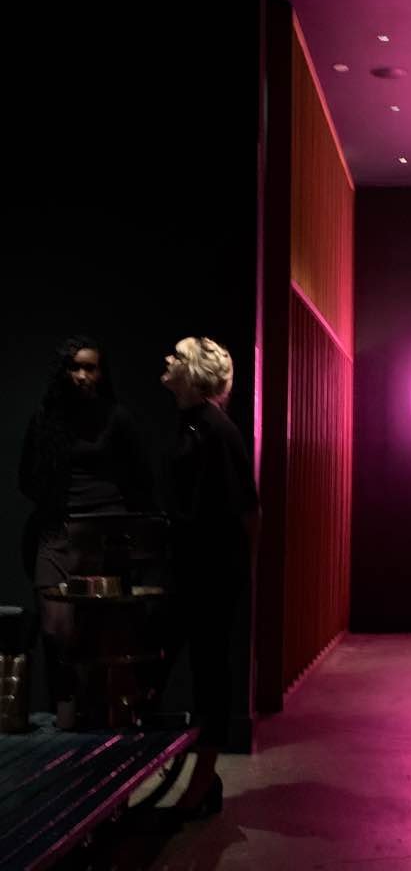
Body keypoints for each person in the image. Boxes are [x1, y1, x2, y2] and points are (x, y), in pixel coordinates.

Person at [18, 334, 152, 720]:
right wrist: (53, 500)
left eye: (89, 368)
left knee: (101, 628)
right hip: (59, 530)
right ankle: (66, 710)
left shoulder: (117, 418)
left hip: (105, 531)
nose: (81, 375)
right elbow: (25, 476)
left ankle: (98, 715)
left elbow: (140, 478)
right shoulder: (46, 419)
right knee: (55, 628)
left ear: (101, 373)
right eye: (74, 367)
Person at [160, 335, 259, 818]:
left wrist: (235, 572)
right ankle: (201, 780)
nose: (168, 359)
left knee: (209, 676)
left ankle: (200, 784)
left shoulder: (214, 429)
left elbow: (246, 509)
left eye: (178, 356)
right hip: (199, 568)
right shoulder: (198, 424)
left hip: (209, 573)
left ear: (196, 372)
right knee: (203, 672)